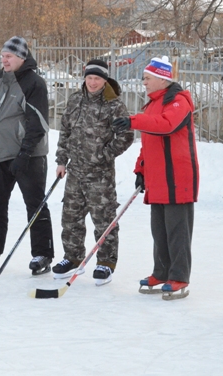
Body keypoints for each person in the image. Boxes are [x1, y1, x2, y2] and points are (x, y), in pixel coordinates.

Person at [112, 56, 199, 300]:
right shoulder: (152, 104)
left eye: (147, 78)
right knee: (159, 229)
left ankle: (179, 276)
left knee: (177, 230)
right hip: (158, 179)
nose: (144, 83)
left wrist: (132, 121)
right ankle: (161, 272)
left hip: (177, 178)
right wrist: (141, 169)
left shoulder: (179, 102)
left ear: (163, 79)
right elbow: (149, 142)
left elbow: (166, 125)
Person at [0, 36, 55, 275]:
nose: (4, 60)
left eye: (9, 56)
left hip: (29, 156)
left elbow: (37, 122)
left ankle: (42, 254)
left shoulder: (33, 83)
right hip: (0, 154)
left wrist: (25, 154)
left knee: (35, 205)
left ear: (21, 58)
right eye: (3, 56)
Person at [53, 60, 134, 285]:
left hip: (100, 175)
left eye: (97, 78)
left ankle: (105, 262)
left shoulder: (114, 105)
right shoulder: (75, 100)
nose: (92, 82)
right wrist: (61, 161)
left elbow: (127, 136)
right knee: (70, 218)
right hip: (75, 172)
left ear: (105, 80)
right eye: (89, 78)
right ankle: (72, 257)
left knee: (104, 219)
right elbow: (65, 131)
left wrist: (103, 155)